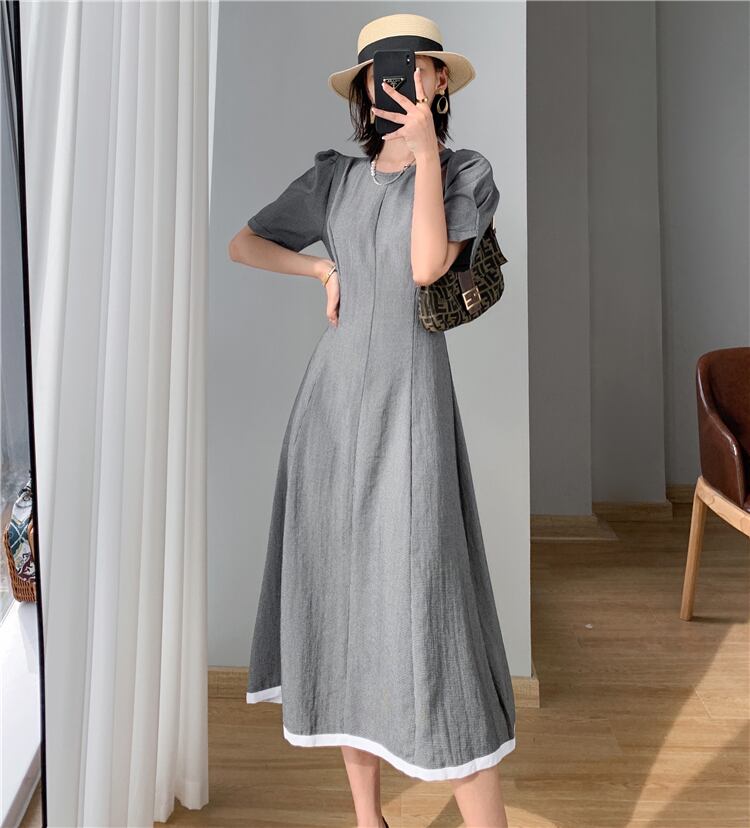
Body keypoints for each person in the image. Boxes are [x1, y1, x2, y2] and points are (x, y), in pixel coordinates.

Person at [229, 13, 516, 828]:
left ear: (438, 81)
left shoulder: (463, 173)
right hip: (327, 419)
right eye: (381, 73)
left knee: (429, 611)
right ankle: (369, 820)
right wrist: (322, 267)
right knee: (343, 610)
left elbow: (427, 265)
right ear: (362, 88)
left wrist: (423, 154)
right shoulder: (335, 180)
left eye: (415, 68)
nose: (398, 83)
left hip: (411, 414)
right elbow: (244, 243)